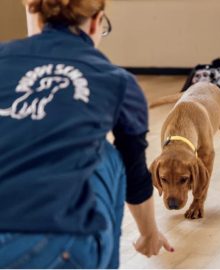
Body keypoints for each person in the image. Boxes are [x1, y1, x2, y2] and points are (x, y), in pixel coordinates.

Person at [0, 0, 174, 268]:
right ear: (96, 21)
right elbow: (135, 176)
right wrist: (149, 234)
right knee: (110, 156)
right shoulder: (118, 81)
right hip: (53, 244)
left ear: (35, 16)